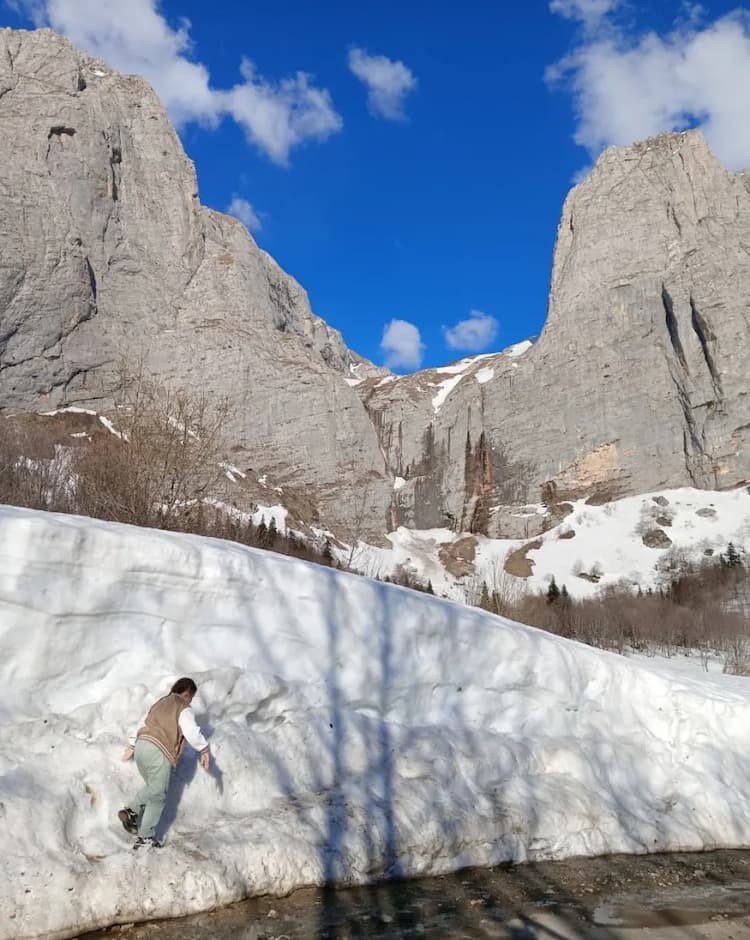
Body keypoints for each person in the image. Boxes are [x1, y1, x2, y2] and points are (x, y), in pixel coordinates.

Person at [118, 677, 210, 847]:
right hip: (158, 751)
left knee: (154, 788)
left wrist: (132, 744)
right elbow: (191, 731)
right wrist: (203, 749)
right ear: (187, 694)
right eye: (191, 697)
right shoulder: (182, 707)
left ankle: (132, 811)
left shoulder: (160, 703)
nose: (190, 701)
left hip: (142, 746)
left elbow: (142, 723)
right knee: (158, 796)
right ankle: (145, 837)